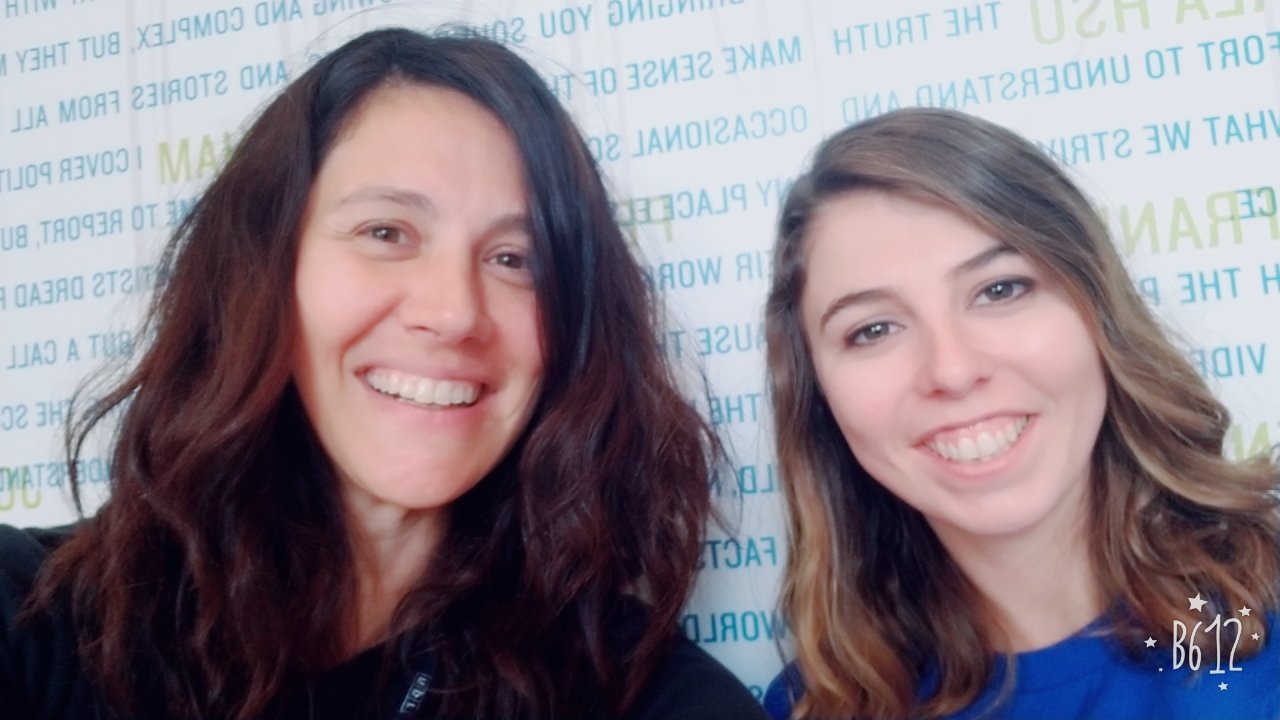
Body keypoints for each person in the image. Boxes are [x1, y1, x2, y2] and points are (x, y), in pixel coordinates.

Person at [0, 28, 770, 720]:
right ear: (263, 269)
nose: (455, 312)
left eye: (515, 258)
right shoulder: (31, 616)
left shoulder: (654, 697)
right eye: (387, 232)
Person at [760, 108, 1280, 719]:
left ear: (1096, 309)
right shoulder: (817, 707)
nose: (953, 370)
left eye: (1000, 289)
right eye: (873, 329)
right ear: (818, 395)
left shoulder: (1259, 622)